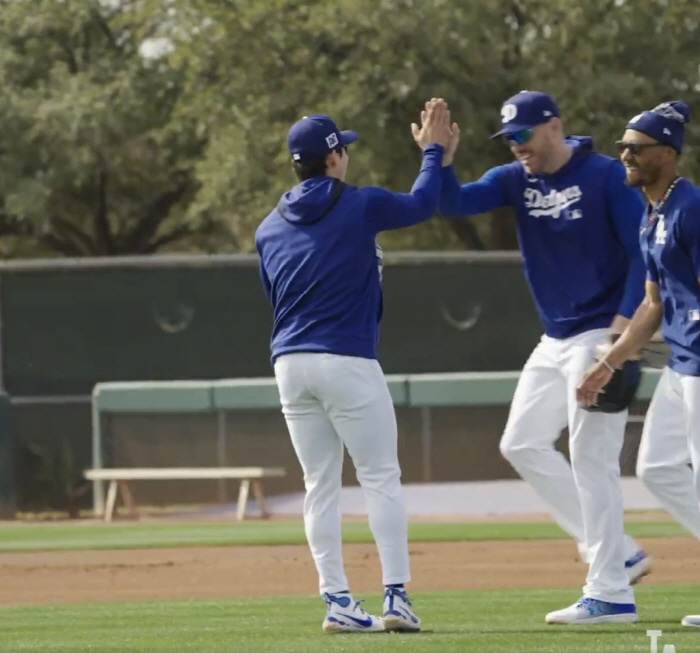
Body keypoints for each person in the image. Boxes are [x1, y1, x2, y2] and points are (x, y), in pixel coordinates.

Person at [415, 90, 650, 624]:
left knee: (592, 457)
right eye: (508, 139)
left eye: (523, 135)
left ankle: (610, 590)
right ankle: (620, 554)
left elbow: (641, 253)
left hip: (600, 334)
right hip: (553, 338)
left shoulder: (606, 176)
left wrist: (618, 338)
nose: (516, 146)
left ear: (553, 127)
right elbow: (451, 203)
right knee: (520, 443)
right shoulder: (512, 179)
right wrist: (442, 158)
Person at [255, 101, 454, 633]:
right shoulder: (360, 205)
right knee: (380, 477)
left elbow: (274, 298)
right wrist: (433, 152)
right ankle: (395, 598)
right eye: (343, 147)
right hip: (345, 358)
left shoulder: (267, 228)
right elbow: (421, 204)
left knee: (319, 484)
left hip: (289, 364)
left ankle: (338, 602)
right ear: (335, 156)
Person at [577, 101, 700, 629]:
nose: (623, 154)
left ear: (667, 153)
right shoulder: (654, 213)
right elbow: (652, 303)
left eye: (636, 147)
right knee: (656, 468)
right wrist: (611, 361)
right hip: (681, 362)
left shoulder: (692, 208)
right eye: (623, 145)